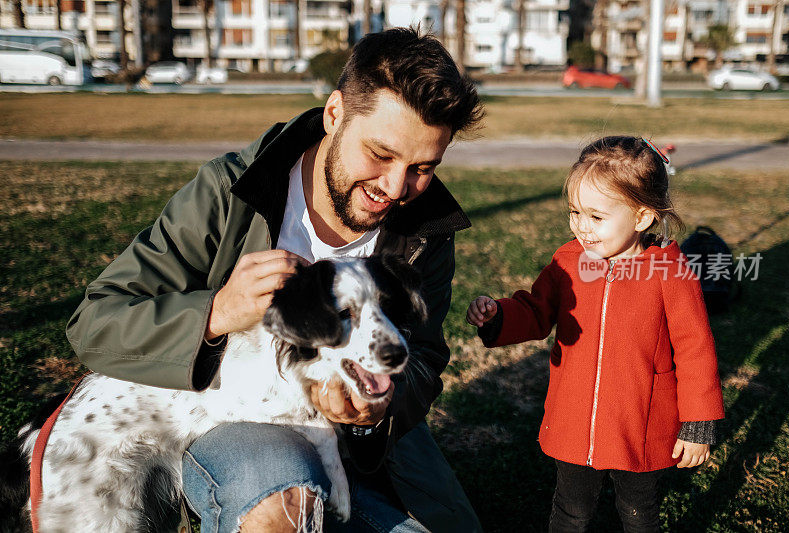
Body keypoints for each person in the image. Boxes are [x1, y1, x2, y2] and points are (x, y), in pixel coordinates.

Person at [66, 28, 484, 533]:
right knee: (283, 508)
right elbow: (95, 322)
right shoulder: (232, 191)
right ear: (335, 115)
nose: (396, 187)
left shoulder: (427, 230)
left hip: (363, 449)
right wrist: (217, 312)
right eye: (380, 153)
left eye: (422, 167)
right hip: (238, 426)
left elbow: (424, 357)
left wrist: (379, 405)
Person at [466, 136, 725, 532]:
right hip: (574, 417)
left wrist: (698, 421)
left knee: (638, 511)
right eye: (574, 212)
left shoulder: (670, 273)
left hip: (640, 420)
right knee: (570, 509)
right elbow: (536, 311)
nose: (581, 228)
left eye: (596, 217)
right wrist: (498, 315)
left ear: (641, 218)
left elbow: (696, 352)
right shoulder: (568, 261)